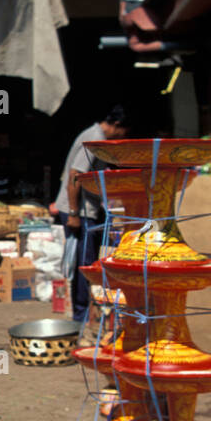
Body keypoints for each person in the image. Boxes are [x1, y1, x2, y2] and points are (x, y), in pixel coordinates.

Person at [51, 104, 131, 324]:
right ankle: (81, 314)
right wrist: (75, 213)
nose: (123, 137)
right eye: (124, 132)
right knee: (85, 265)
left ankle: (88, 310)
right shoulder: (95, 138)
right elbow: (76, 175)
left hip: (89, 209)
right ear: (117, 126)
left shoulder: (94, 135)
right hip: (80, 210)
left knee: (88, 260)